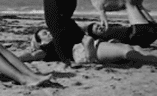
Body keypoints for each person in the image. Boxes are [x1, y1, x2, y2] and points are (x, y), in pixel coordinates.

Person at [20, 26, 157, 67]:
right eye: (45, 33)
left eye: (48, 30)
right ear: (41, 41)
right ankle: (151, 61)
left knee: (131, 50)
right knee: (127, 51)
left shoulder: (61, 37)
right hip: (81, 51)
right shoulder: (48, 47)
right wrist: (14, 58)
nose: (49, 33)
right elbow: (32, 56)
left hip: (88, 45)